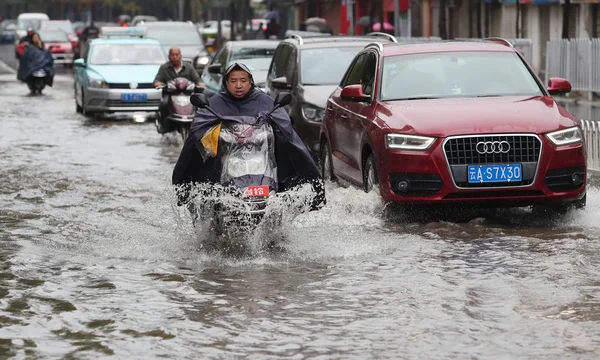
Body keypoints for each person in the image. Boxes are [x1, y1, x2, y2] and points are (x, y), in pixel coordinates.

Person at [172, 62, 326, 212]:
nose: (238, 85)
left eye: (243, 80)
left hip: (261, 157)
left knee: (293, 149)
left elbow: (284, 126)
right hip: (224, 159)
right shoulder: (215, 103)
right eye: (233, 81)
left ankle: (306, 190)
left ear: (250, 81)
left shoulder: (264, 101)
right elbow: (198, 128)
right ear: (226, 83)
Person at [153, 47, 202, 134]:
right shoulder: (164, 68)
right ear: (169, 56)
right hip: (170, 96)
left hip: (187, 96)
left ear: (180, 56)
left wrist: (200, 84)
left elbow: (197, 79)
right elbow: (157, 80)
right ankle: (162, 125)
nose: (174, 57)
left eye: (176, 55)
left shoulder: (189, 67)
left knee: (199, 107)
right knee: (163, 104)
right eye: (172, 55)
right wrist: (158, 84)